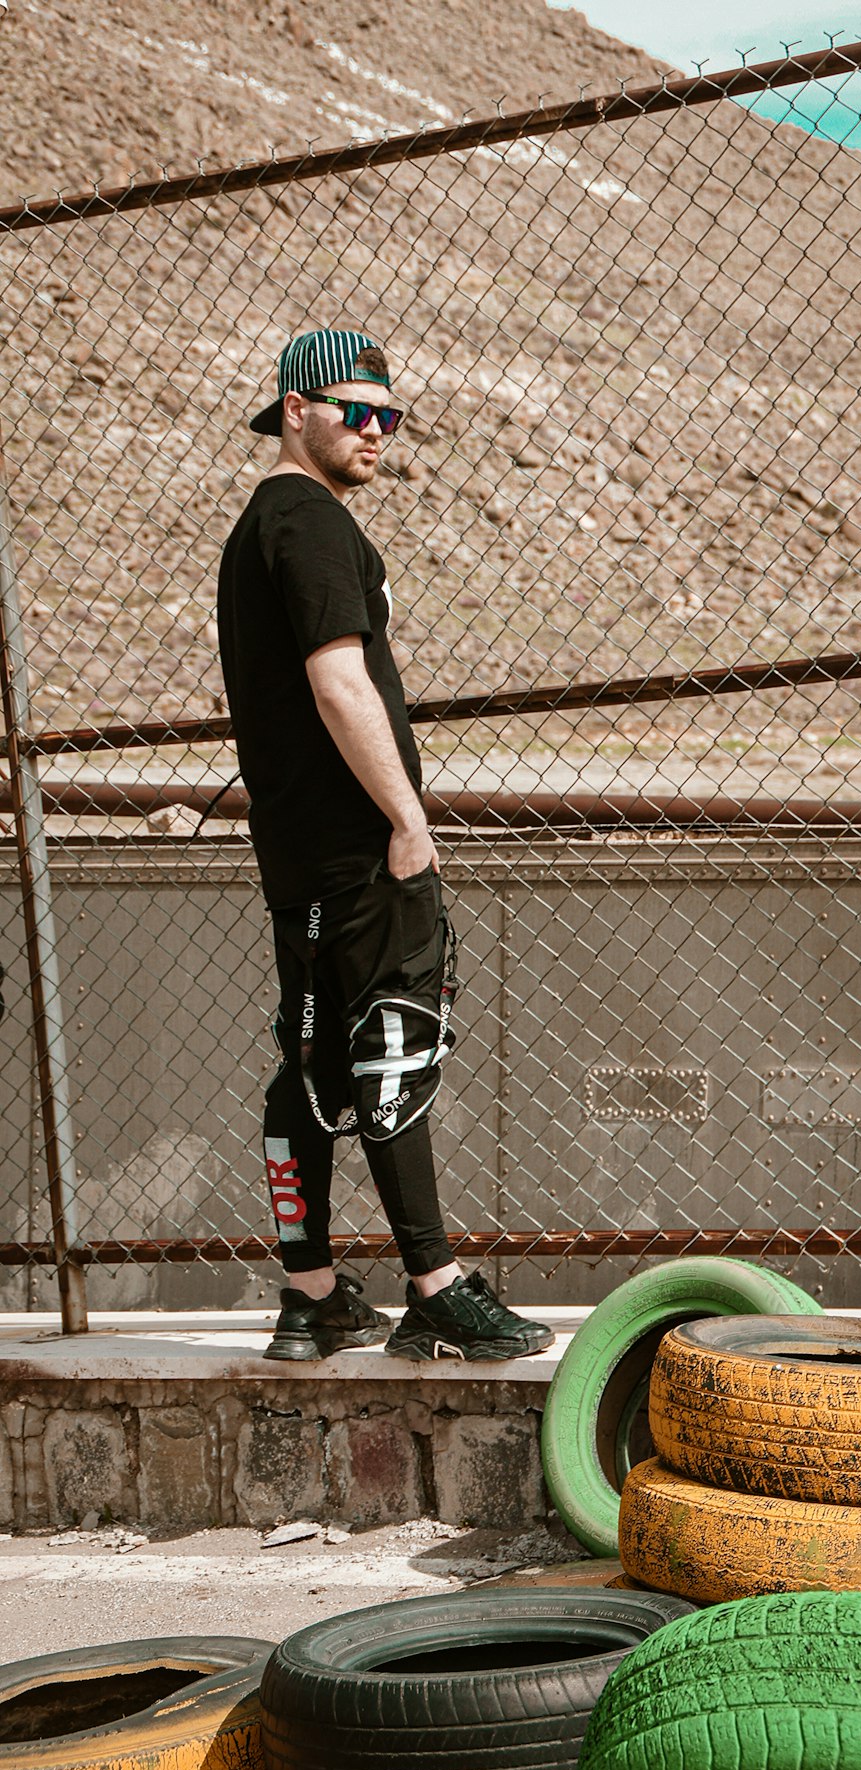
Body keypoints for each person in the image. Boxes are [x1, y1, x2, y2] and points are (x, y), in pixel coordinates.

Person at [217, 326, 553, 1365]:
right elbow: (338, 680)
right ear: (293, 408)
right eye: (353, 410)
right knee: (392, 1041)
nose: (375, 431)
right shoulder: (312, 523)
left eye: (387, 416)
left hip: (298, 853)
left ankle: (311, 1294)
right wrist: (406, 818)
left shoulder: (256, 529)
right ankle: (436, 1288)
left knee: (310, 1057)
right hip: (359, 848)